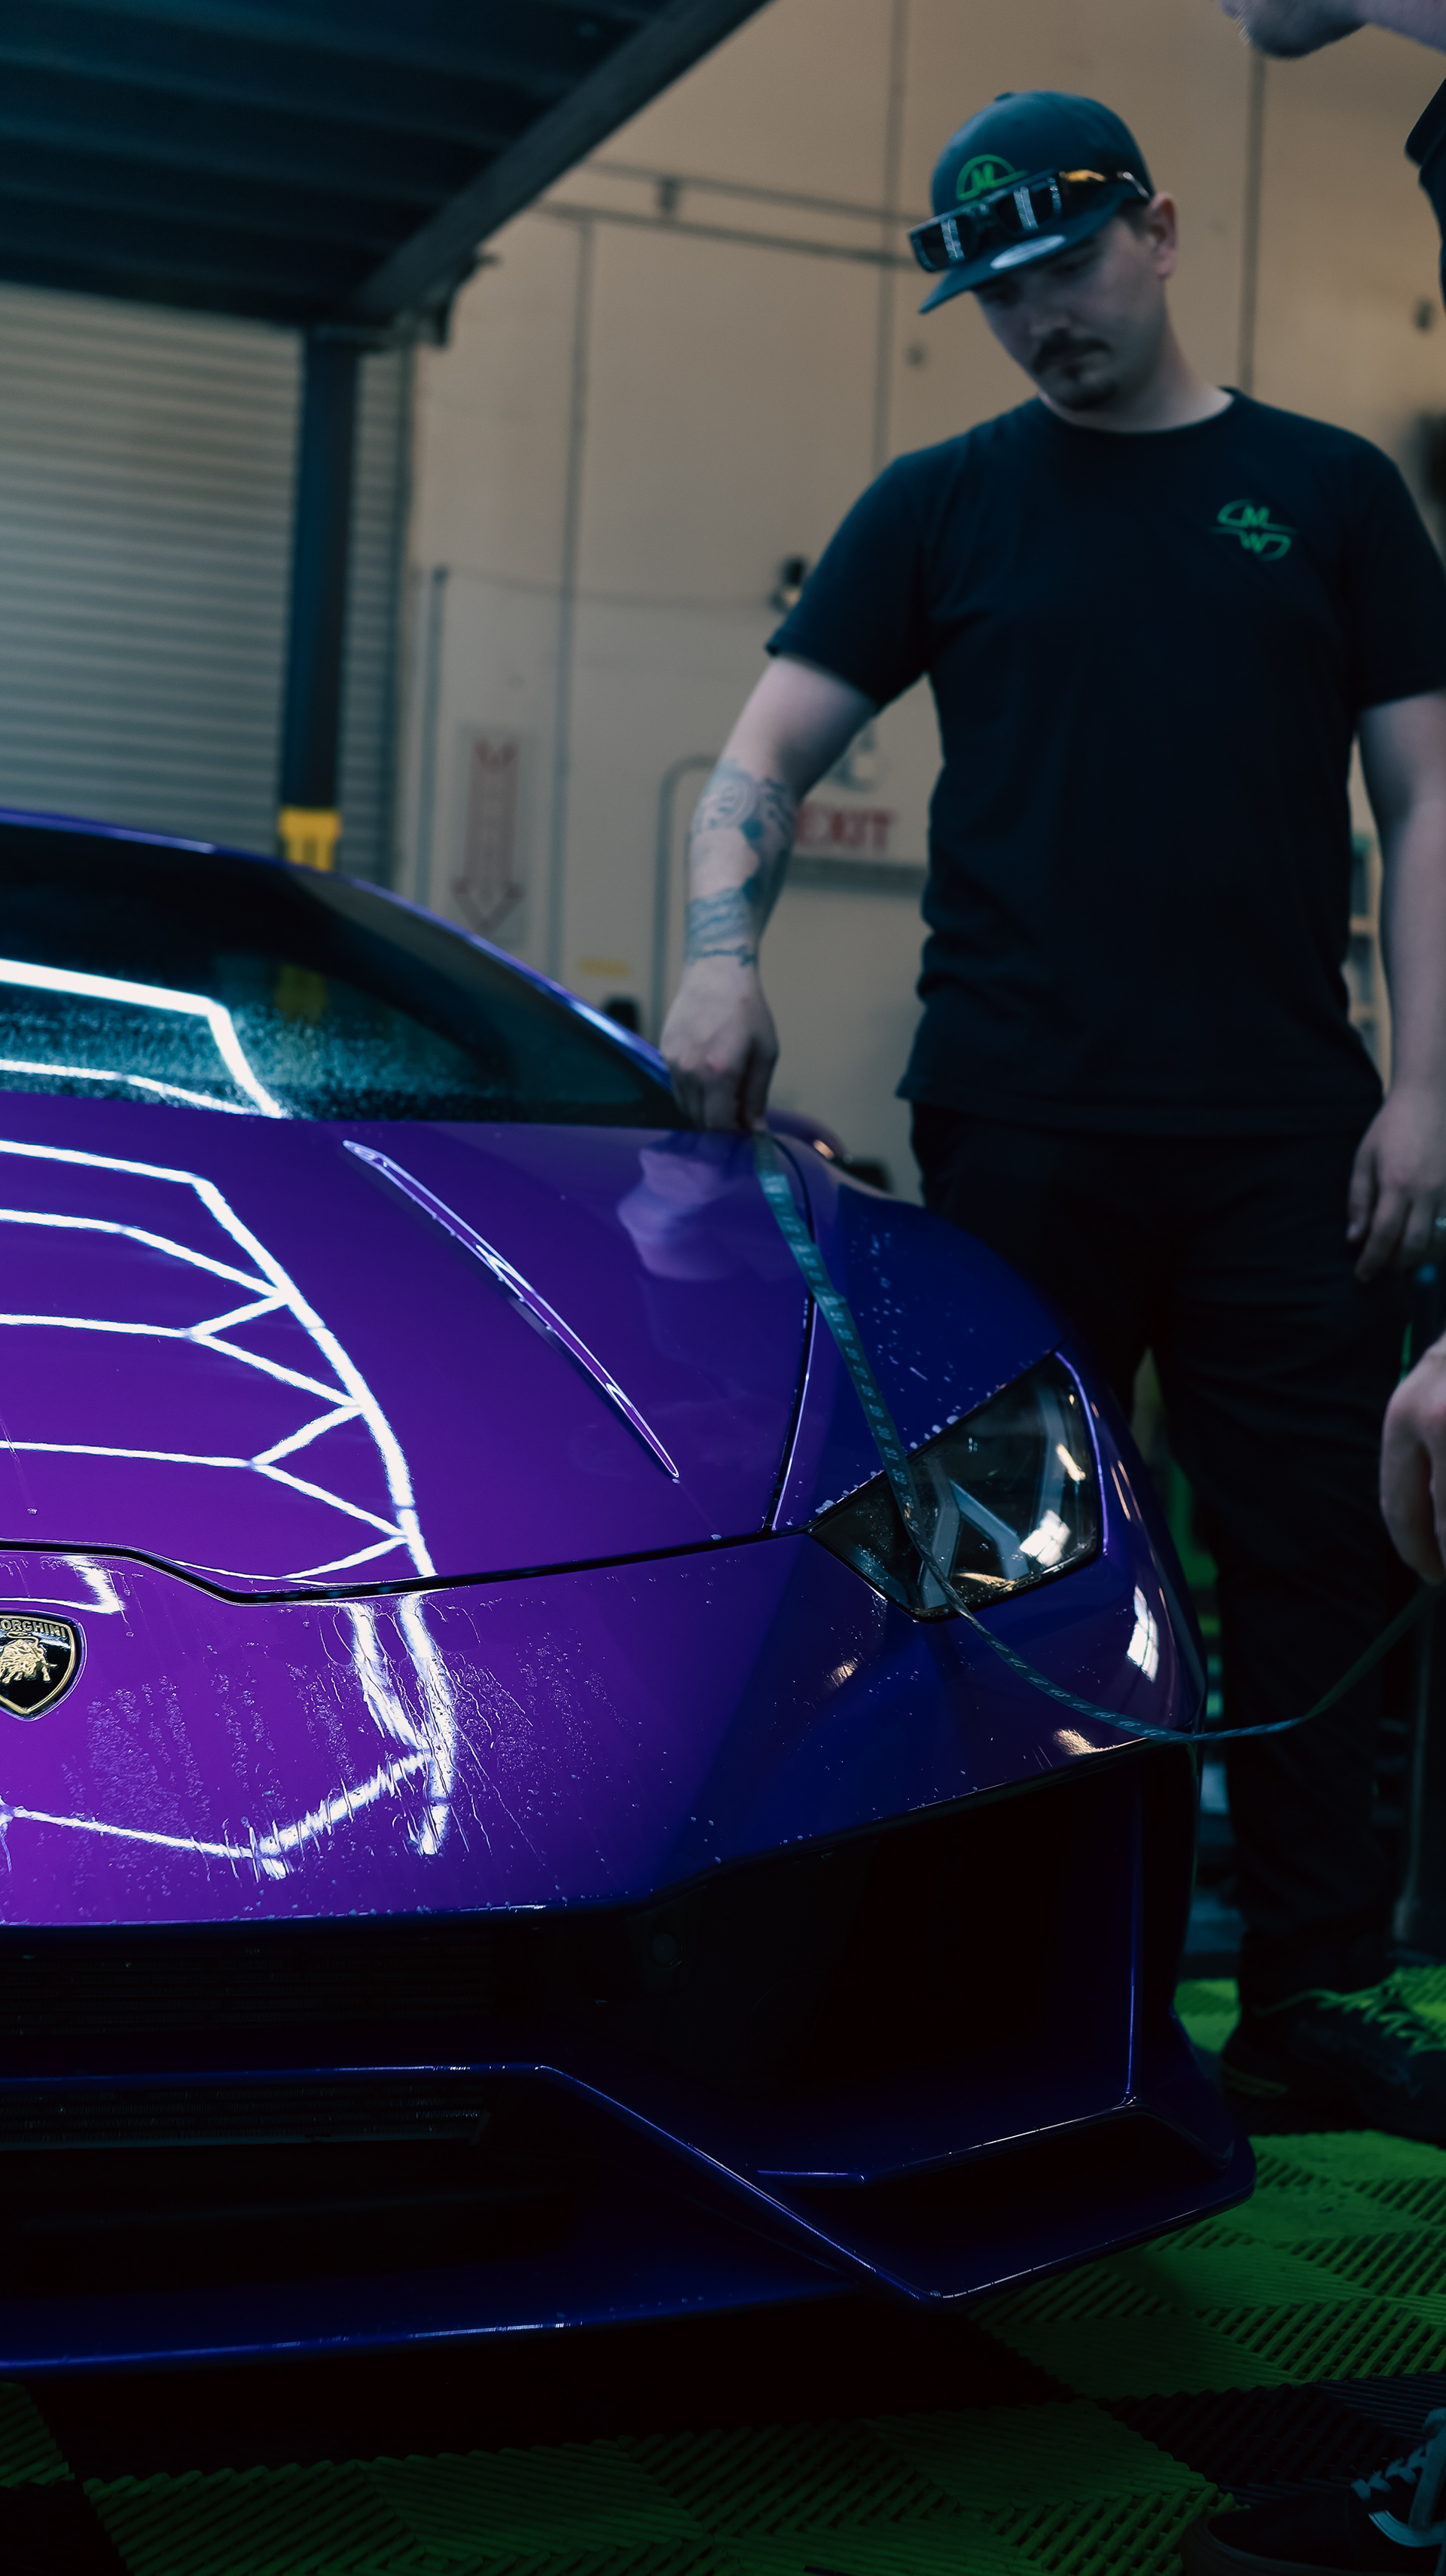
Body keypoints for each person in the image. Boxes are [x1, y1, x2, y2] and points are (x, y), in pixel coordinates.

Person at [660, 84, 1446, 2137]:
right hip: (1021, 1124)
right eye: (1000, 294)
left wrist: (1430, 1086)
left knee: (1315, 1552)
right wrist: (721, 952)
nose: (1043, 319)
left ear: (1160, 232)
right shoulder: (944, 505)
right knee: (1009, 1561)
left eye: (1071, 266)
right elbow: (755, 758)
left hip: (1288, 1131)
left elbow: (1428, 800)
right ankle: (1024, 1991)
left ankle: (1313, 1993)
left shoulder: (1330, 495)